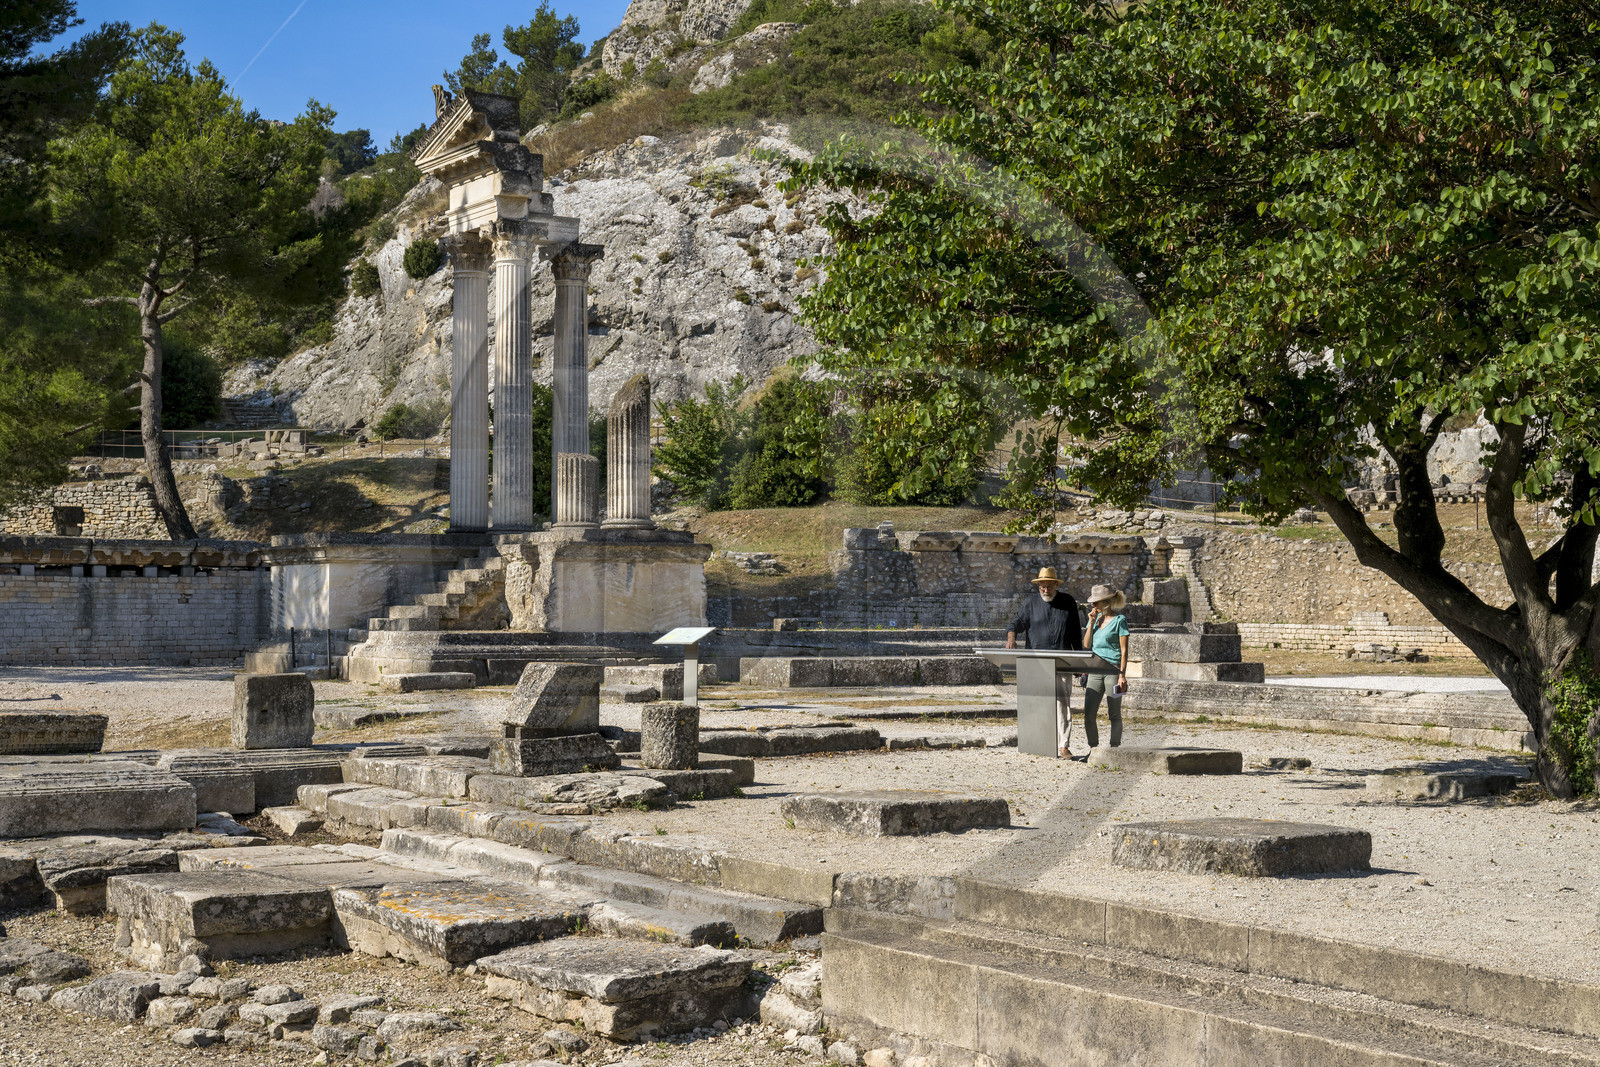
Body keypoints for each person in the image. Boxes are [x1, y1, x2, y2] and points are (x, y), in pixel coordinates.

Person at [1004, 567, 1083, 758]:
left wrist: (1079, 662)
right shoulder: (1030, 603)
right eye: (1042, 586)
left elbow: (1075, 633)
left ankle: (1063, 746)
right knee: (1037, 702)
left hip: (1063, 660)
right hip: (1036, 662)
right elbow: (1015, 623)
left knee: (1062, 704)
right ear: (1038, 585)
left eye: (1049, 586)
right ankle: (1039, 743)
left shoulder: (1068, 602)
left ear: (1056, 585)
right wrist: (1011, 638)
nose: (1045, 590)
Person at [1081, 583, 1130, 749]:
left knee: (1114, 713)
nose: (1092, 605)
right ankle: (1093, 749)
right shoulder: (1095, 620)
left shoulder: (1119, 620)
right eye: (1092, 603)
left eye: (1096, 602)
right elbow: (1087, 644)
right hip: (1094, 670)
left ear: (1106, 602)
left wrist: (1122, 676)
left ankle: (1114, 749)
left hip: (1113, 671)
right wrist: (1091, 622)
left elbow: (1124, 651)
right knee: (1088, 714)